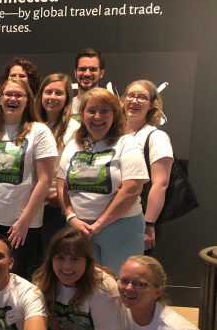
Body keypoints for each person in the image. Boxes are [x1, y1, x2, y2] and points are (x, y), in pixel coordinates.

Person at [0, 78, 57, 279]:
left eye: (19, 95)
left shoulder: (39, 132)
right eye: (8, 94)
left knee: (17, 278)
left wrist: (25, 220)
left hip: (23, 225)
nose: (13, 99)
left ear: (28, 101)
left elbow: (44, 180)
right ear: (0, 99)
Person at [57, 88, 148, 275]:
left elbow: (132, 189)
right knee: (82, 285)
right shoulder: (74, 144)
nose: (97, 116)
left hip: (121, 229)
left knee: (119, 286)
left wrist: (99, 224)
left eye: (105, 111)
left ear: (115, 114)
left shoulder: (126, 143)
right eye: (91, 110)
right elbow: (62, 185)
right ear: (82, 115)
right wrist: (71, 218)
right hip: (78, 229)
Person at [121, 80, 173, 252]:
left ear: (152, 104)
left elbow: (160, 184)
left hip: (139, 218)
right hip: (112, 216)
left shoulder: (157, 137)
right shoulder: (115, 135)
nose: (134, 101)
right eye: (131, 95)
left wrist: (149, 225)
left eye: (142, 97)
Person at [35, 73, 81, 251]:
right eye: (48, 92)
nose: (52, 97)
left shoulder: (74, 130)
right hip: (29, 203)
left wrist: (57, 197)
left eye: (58, 93)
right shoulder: (30, 125)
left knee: (53, 255)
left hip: (55, 205)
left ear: (67, 98)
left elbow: (76, 171)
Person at [72, 48, 105, 118]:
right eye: (82, 69)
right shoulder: (66, 107)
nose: (87, 74)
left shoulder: (109, 106)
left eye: (93, 69)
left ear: (101, 73)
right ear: (75, 72)